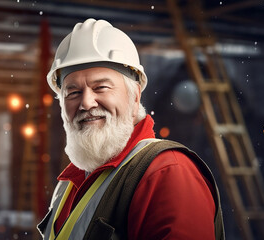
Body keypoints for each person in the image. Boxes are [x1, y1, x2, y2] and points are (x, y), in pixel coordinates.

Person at [37, 18, 225, 240]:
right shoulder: (69, 183)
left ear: (134, 97)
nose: (86, 103)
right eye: (73, 92)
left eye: (101, 87)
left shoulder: (166, 172)